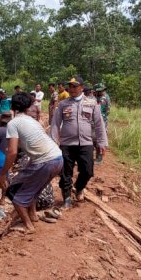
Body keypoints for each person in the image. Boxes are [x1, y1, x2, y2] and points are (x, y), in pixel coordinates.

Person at [0, 93, 64, 233]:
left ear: (11, 106)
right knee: (32, 189)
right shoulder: (33, 121)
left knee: (14, 194)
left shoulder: (13, 123)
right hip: (57, 158)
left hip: (45, 161)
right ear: (28, 106)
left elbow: (12, 152)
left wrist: (3, 174)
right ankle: (33, 215)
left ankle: (28, 226)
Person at [50, 76, 108, 209]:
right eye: (70, 86)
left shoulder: (92, 103)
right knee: (65, 173)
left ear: (81, 87)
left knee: (87, 171)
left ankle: (79, 187)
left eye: (74, 86)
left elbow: (99, 124)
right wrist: (53, 142)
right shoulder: (63, 104)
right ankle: (67, 198)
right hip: (67, 144)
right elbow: (55, 124)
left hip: (86, 143)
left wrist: (101, 143)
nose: (71, 89)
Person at [94, 83, 111, 164]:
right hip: (102, 119)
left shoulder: (103, 98)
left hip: (102, 120)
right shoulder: (102, 96)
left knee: (99, 138)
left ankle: (99, 158)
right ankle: (98, 157)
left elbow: (98, 109)